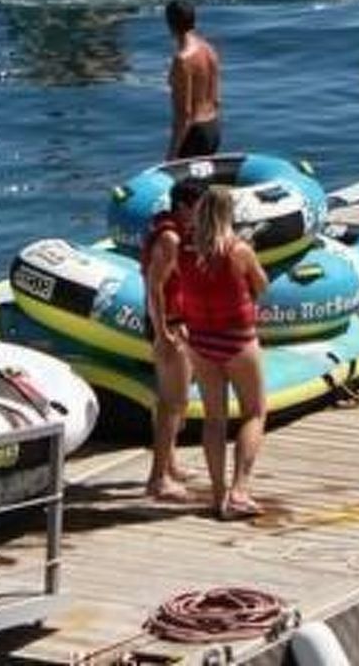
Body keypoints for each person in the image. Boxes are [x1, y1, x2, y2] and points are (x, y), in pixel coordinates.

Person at [173, 186, 268, 520]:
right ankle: (239, 490)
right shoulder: (238, 250)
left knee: (214, 419)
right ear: (229, 214)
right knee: (254, 412)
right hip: (237, 339)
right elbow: (261, 284)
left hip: (200, 341)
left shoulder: (184, 250)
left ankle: (217, 494)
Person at [139, 176, 208, 501]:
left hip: (179, 321)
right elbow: (154, 287)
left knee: (175, 400)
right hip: (170, 324)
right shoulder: (170, 238)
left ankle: (171, 464)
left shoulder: (179, 233)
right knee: (173, 402)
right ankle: (157, 479)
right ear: (183, 206)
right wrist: (163, 332)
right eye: (200, 207)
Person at [165, 0, 222, 160]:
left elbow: (185, 113)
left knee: (178, 176)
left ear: (170, 25)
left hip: (194, 134)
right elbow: (217, 100)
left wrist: (172, 154)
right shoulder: (208, 49)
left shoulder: (182, 60)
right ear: (193, 21)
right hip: (213, 128)